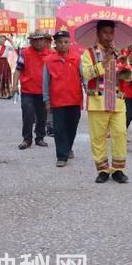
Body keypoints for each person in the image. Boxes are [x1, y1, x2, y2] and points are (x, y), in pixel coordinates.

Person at [81, 20, 132, 184]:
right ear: (98, 33)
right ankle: (103, 170)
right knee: (98, 137)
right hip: (97, 102)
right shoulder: (88, 53)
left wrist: (125, 65)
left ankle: (118, 170)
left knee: (120, 134)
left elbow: (130, 78)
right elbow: (87, 74)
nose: (108, 36)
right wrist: (104, 62)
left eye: (111, 33)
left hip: (118, 102)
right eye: (105, 32)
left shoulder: (120, 53)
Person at [42, 31, 83, 168]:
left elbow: (84, 77)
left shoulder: (77, 58)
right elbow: (46, 82)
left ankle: (68, 147)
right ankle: (61, 156)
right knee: (59, 128)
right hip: (57, 101)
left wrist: (89, 90)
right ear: (55, 44)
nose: (63, 45)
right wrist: (47, 100)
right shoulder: (49, 60)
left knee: (72, 127)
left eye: (66, 42)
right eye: (60, 42)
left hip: (74, 99)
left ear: (69, 42)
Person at [12, 31, 51, 149]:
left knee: (42, 116)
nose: (38, 42)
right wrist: (14, 85)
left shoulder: (50, 54)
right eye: (35, 40)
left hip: (44, 92)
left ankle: (40, 138)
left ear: (44, 40)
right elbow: (18, 69)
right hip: (27, 91)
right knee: (28, 115)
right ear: (31, 41)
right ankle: (27, 139)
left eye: (40, 39)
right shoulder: (25, 53)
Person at [0, 34, 15, 99]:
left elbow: (13, 47)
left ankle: (6, 93)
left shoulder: (7, 47)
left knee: (5, 77)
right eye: (1, 39)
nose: (2, 40)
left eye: (4, 39)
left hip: (5, 63)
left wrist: (10, 40)